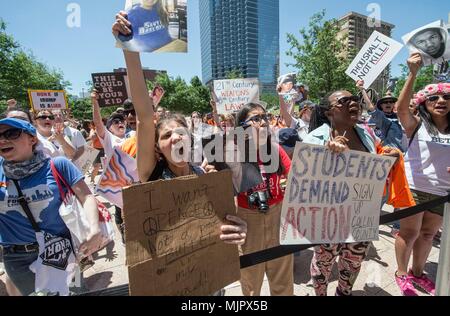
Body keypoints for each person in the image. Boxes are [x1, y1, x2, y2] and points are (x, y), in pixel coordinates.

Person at [113, 10, 247, 261]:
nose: (175, 138)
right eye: (165, 136)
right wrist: (129, 47)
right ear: (157, 149)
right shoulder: (150, 174)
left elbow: (225, 225)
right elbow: (144, 116)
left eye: (180, 132)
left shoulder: (203, 175)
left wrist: (238, 229)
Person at [303, 90, 397, 296]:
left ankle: (343, 293)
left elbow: (375, 167)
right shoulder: (314, 138)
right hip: (329, 217)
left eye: (355, 99)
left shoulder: (367, 134)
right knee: (323, 264)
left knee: (353, 263)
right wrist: (325, 155)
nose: (353, 103)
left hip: (362, 213)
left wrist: (388, 155)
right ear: (329, 112)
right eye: (345, 101)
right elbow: (302, 179)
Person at [0, 118, 103, 295]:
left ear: (32, 139)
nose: (3, 140)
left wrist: (95, 228)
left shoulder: (58, 165)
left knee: (75, 293)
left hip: (61, 252)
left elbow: (86, 196)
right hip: (18, 260)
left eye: (11, 134)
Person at [394, 53, 450, 296]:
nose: (440, 100)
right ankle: (401, 274)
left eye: (447, 97)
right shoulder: (416, 124)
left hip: (442, 192)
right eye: (434, 97)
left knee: (427, 234)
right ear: (423, 103)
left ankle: (418, 274)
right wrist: (413, 73)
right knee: (409, 233)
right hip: (414, 188)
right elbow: (399, 108)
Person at [235, 103, 294, 296]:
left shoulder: (276, 150)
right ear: (242, 126)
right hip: (248, 220)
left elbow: (299, 176)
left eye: (265, 117)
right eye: (256, 118)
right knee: (251, 284)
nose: (263, 122)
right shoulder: (232, 153)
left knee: (283, 281)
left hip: (278, 215)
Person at [358, 81, 406, 153]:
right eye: (385, 102)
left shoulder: (399, 117)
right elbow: (371, 107)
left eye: (391, 102)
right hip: (387, 155)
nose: (388, 103)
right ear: (381, 106)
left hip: (400, 155)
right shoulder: (381, 117)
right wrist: (362, 89)